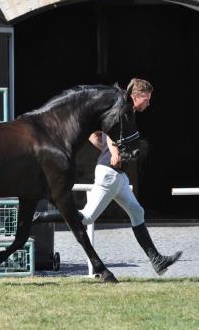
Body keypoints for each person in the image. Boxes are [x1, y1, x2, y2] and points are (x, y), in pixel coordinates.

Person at [33, 78, 182, 275]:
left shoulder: (125, 112)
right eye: (146, 98)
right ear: (135, 97)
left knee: (137, 212)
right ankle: (39, 217)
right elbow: (111, 132)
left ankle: (157, 260)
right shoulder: (121, 111)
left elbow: (94, 135)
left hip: (118, 176)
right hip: (109, 174)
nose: (148, 103)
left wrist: (106, 147)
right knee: (86, 217)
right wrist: (112, 151)